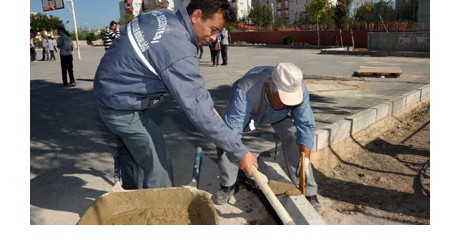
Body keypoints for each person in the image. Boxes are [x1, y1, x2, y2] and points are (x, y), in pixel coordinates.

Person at [93, 0, 258, 190]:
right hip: (121, 105)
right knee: (157, 162)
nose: (214, 38)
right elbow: (198, 107)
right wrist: (239, 152)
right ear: (196, 16)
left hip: (110, 91)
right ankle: (162, 213)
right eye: (213, 29)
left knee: (131, 151)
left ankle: (132, 196)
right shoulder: (179, 50)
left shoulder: (160, 16)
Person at [215, 62, 321, 211]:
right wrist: (242, 157)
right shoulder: (245, 91)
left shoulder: (299, 89)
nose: (288, 104)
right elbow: (232, 133)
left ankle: (309, 192)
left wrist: (306, 160)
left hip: (280, 116)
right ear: (268, 88)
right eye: (284, 99)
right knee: (226, 137)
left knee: (294, 135)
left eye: (291, 100)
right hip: (253, 111)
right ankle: (228, 184)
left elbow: (306, 125)